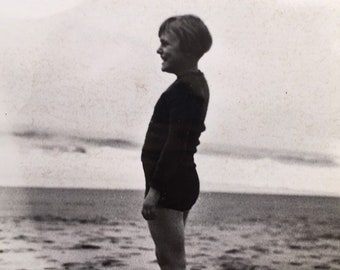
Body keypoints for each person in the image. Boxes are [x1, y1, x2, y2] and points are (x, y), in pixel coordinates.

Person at [141, 14, 212, 270]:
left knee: (171, 259)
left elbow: (175, 145)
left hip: (169, 185)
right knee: (169, 256)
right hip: (179, 180)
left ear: (187, 46)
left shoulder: (185, 91)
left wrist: (156, 191)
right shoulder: (194, 84)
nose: (159, 50)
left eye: (165, 43)